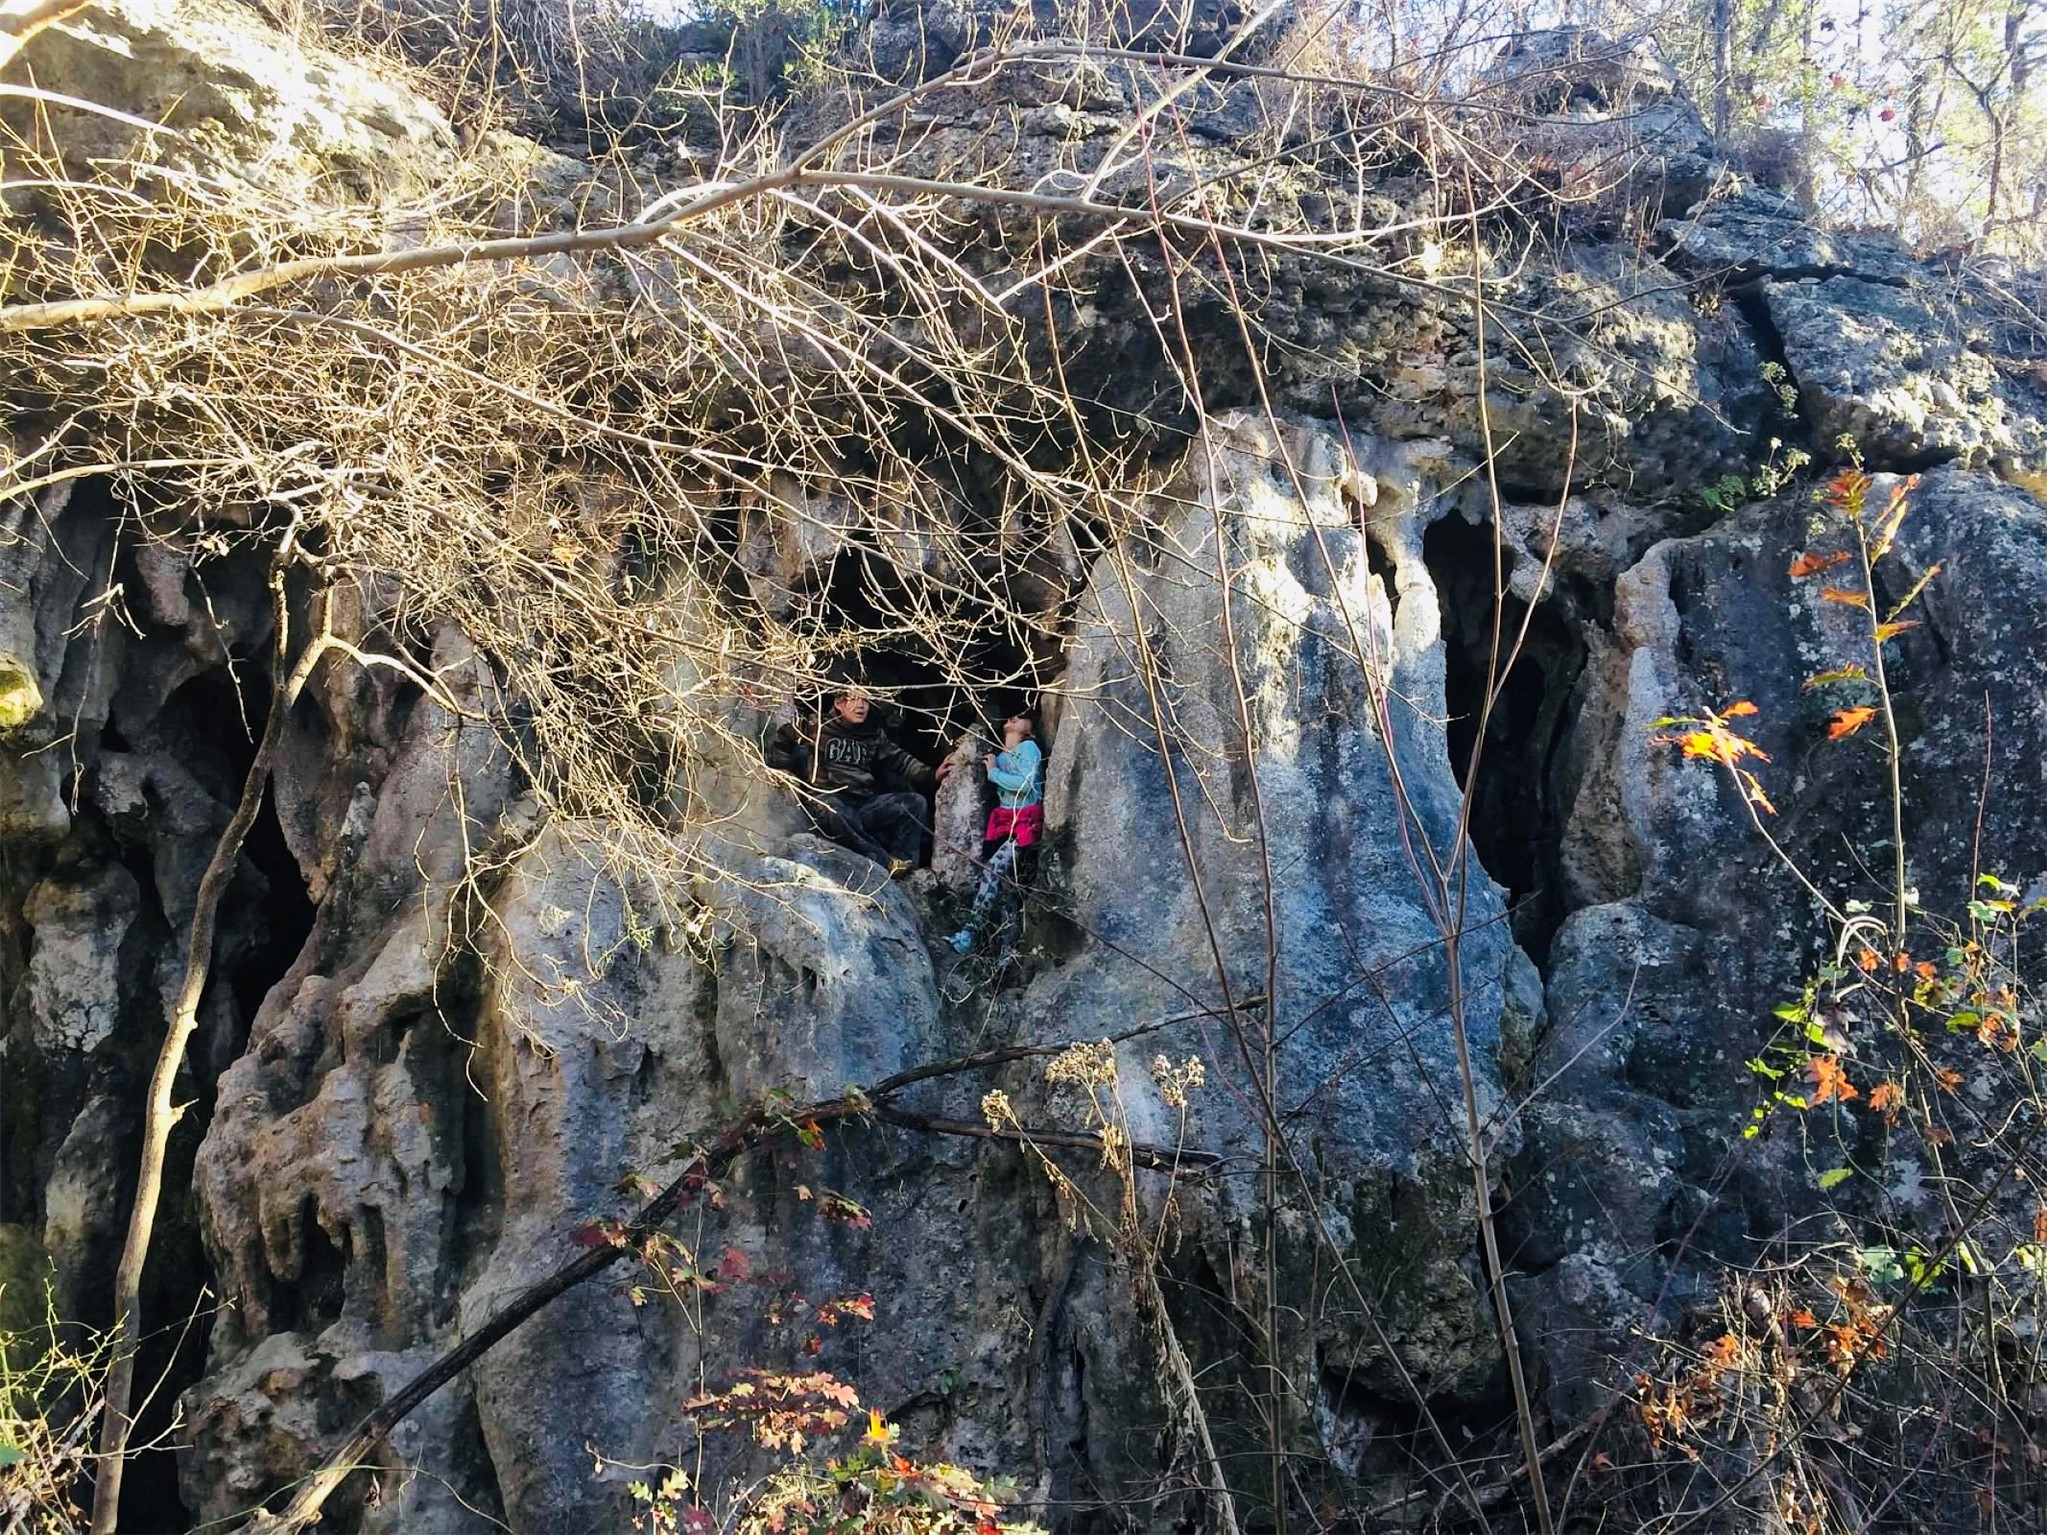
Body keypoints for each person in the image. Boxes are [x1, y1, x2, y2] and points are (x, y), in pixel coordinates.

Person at [766, 688, 953, 871]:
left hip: (862, 804)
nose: (861, 706)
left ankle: (905, 867)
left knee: (915, 803)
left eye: (865, 700)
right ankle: (884, 861)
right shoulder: (818, 725)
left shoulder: (872, 734)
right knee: (833, 810)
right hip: (829, 799)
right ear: (838, 703)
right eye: (854, 699)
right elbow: (785, 736)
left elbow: (899, 760)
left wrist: (932, 774)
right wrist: (782, 770)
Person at [950, 712, 1043, 953]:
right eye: (1011, 715)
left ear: (1030, 731)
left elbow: (1025, 784)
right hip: (1006, 826)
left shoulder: (1029, 748)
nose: (1013, 717)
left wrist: (993, 773)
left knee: (993, 870)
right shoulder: (1000, 757)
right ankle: (1007, 950)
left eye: (1021, 717)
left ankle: (970, 931)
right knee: (1008, 889)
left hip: (1025, 826)